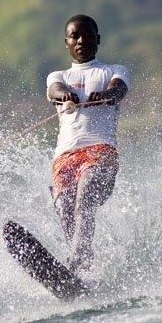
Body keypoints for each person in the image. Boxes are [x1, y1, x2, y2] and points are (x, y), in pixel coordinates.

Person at [45, 14, 130, 273]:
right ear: (67, 42)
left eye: (88, 35)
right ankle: (82, 267)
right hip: (66, 156)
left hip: (100, 151)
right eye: (75, 36)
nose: (81, 40)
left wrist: (106, 95)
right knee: (63, 205)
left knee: (86, 192)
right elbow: (54, 91)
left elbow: (119, 89)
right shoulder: (58, 76)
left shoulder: (114, 71)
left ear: (98, 40)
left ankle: (78, 258)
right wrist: (64, 95)